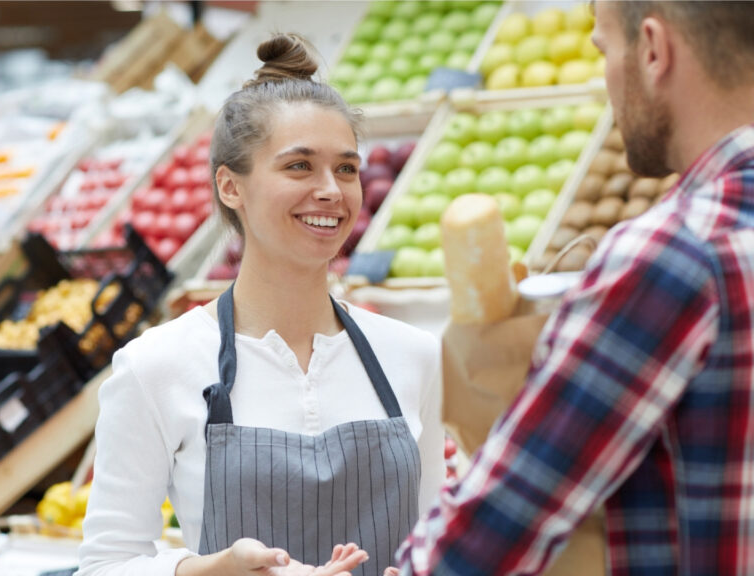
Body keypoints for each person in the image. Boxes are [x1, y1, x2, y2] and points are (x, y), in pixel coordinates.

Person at [397, 2, 754, 574]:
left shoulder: (676, 253)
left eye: (604, 49)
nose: (605, 77)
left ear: (654, 49)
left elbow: (483, 540)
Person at [78, 33, 445, 576]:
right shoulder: (158, 365)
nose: (331, 190)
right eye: (299, 167)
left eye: (346, 169)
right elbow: (105, 564)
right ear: (230, 186)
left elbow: (434, 539)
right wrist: (207, 570)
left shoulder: (413, 356)